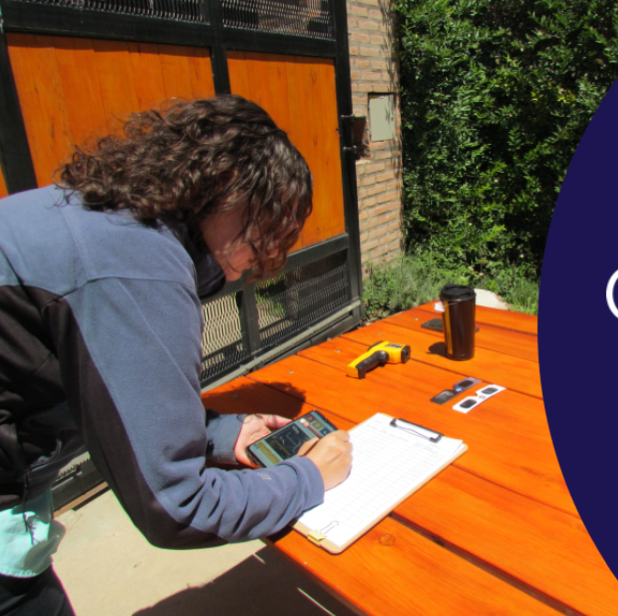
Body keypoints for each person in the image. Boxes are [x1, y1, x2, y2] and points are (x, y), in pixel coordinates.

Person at [0, 95, 353, 615]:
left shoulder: (101, 215)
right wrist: (308, 478)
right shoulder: (138, 262)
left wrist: (222, 434)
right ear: (229, 189)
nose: (251, 265)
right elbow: (174, 505)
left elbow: (108, 392)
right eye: (263, 234)